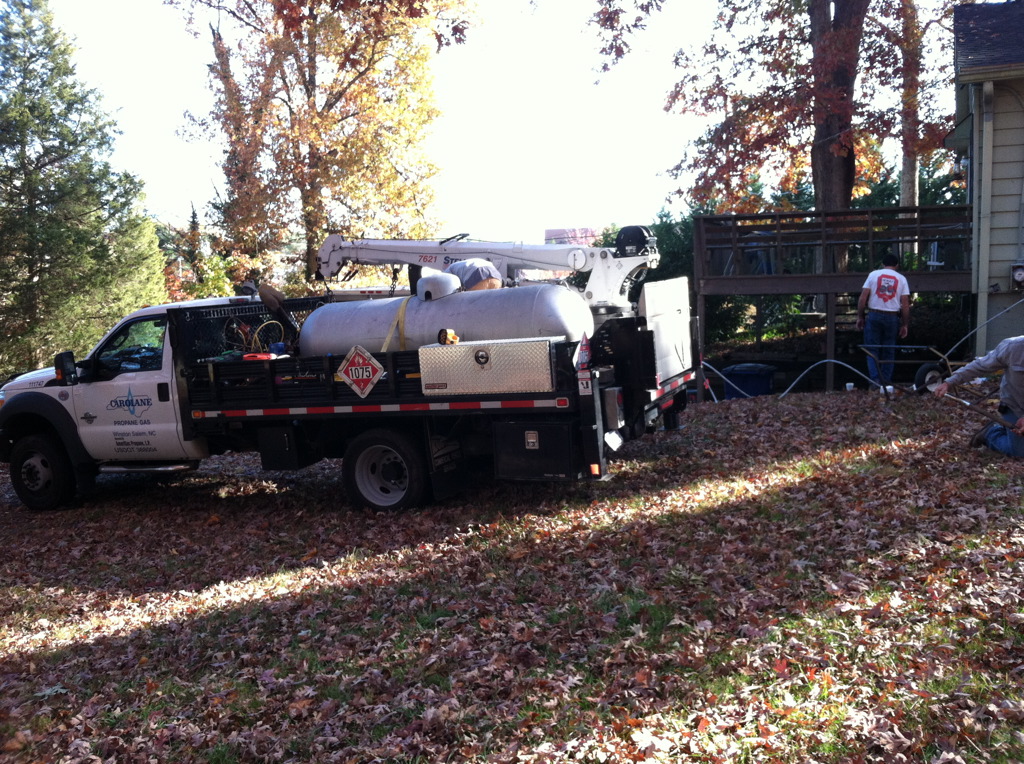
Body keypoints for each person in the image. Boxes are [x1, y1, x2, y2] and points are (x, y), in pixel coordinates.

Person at [933, 336, 1024, 456]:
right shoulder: (1012, 347)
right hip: (1014, 406)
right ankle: (991, 433)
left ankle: (1005, 430)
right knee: (1020, 452)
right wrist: (950, 382)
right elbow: (980, 366)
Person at [856, 253, 911, 387]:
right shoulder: (901, 279)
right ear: (897, 265)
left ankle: (875, 380)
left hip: (874, 314)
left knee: (872, 349)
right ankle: (886, 381)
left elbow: (863, 298)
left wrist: (860, 316)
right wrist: (905, 324)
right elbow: (905, 304)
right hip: (892, 316)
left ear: (882, 264)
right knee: (889, 350)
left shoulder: (873, 275)